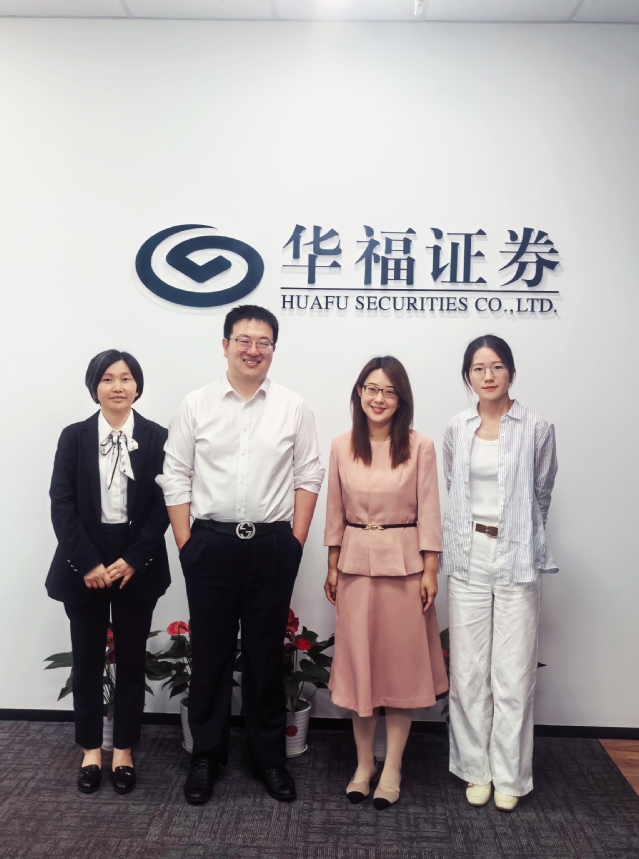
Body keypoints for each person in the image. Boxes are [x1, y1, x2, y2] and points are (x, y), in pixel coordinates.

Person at [157, 304, 324, 806]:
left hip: (272, 545)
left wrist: (294, 541)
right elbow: (175, 474)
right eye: (244, 340)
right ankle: (205, 755)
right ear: (226, 344)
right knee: (209, 651)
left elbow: (308, 474)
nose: (254, 350)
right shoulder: (195, 405)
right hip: (210, 544)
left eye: (264, 342)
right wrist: (187, 544)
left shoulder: (293, 407)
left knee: (264, 652)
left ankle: (268, 757)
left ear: (274, 349)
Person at [323, 356, 448, 810]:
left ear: (402, 399)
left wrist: (430, 570)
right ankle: (364, 765)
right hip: (355, 566)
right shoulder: (341, 445)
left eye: (389, 391)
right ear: (359, 393)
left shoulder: (420, 446)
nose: (379, 398)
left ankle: (392, 766)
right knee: (361, 668)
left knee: (399, 669)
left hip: (405, 567)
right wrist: (332, 565)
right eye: (372, 389)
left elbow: (429, 511)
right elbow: (334, 510)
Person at [441, 334, 558, 812]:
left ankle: (510, 775)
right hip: (468, 555)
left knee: (513, 674)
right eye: (478, 368)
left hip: (516, 558)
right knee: (468, 671)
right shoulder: (457, 427)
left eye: (496, 366)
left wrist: (520, 536)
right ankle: (476, 769)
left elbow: (542, 492)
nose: (487, 376)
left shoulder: (537, 427)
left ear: (510, 371)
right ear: (467, 376)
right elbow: (454, 484)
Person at [46, 350, 170, 795]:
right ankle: (90, 750)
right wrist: (87, 563)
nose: (118, 386)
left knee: (133, 660)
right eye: (108, 378)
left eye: (126, 378)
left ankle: (123, 749)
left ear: (138, 386)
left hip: (137, 562)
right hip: (85, 561)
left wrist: (135, 558)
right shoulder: (74, 436)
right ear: (94, 386)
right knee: (86, 661)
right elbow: (61, 503)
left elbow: (165, 505)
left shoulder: (158, 437)